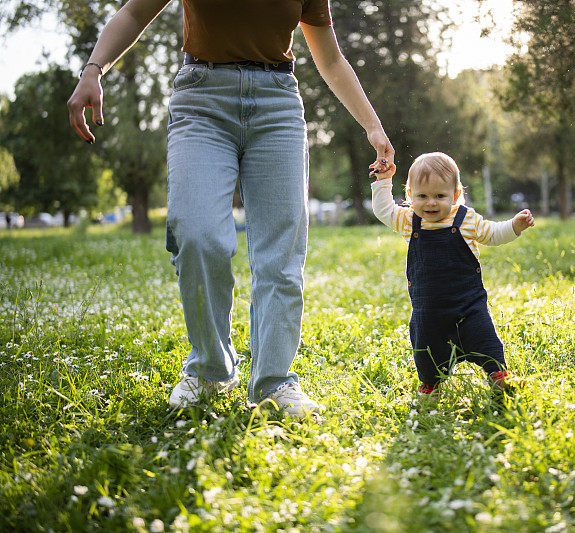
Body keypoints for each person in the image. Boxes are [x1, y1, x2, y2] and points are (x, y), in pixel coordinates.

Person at [67, 0, 394, 416]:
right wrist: (93, 70)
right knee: (197, 234)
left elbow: (328, 57)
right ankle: (209, 370)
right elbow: (133, 14)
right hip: (201, 100)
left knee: (281, 252)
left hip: (277, 105)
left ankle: (274, 382)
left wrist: (373, 125)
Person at [370, 152, 534, 403]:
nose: (431, 203)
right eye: (422, 196)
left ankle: (498, 374)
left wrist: (514, 226)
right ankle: (430, 384)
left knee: (485, 337)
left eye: (439, 196)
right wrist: (384, 180)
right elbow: (383, 209)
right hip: (429, 310)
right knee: (426, 348)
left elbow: (492, 234)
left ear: (455, 195)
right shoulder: (408, 220)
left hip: (468, 304)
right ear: (410, 195)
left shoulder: (466, 219)